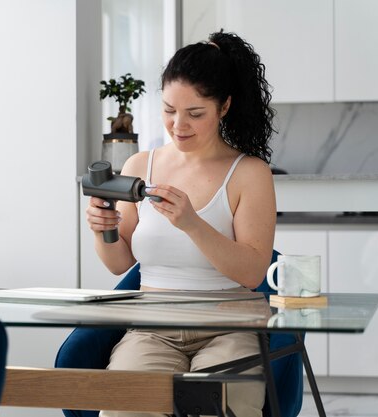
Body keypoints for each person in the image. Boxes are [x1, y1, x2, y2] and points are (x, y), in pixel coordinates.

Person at [85, 30, 277, 417]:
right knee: (122, 408)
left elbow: (254, 271)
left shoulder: (249, 173)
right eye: (169, 110)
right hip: (151, 329)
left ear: (223, 107)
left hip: (229, 329)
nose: (178, 125)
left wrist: (192, 223)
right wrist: (100, 228)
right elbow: (119, 263)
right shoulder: (140, 166)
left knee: (220, 407)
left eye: (194, 114)